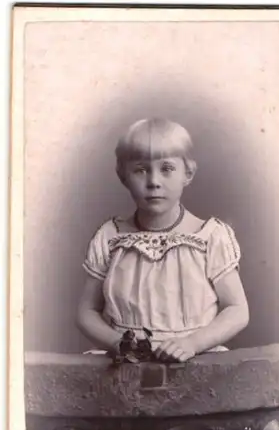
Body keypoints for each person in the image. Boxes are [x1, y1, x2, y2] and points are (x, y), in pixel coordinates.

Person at [77, 118, 249, 362]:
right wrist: (117, 343)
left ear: (187, 173)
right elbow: (87, 311)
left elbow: (237, 310)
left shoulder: (209, 236)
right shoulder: (110, 237)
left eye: (167, 169)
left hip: (194, 362)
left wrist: (192, 343)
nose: (154, 182)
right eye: (141, 170)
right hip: (126, 364)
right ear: (123, 175)